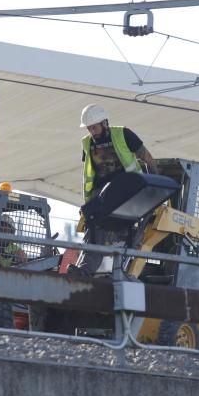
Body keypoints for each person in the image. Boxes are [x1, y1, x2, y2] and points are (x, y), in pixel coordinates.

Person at [68, 103, 158, 277]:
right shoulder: (86, 143)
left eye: (94, 127)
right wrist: (88, 205)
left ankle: (113, 271)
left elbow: (149, 160)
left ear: (105, 123)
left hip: (127, 192)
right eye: (89, 128)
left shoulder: (123, 134)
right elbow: (89, 175)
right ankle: (86, 271)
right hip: (103, 195)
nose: (92, 132)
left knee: (121, 233)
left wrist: (153, 187)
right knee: (94, 228)